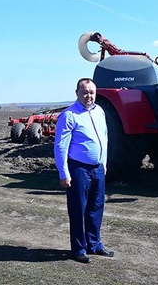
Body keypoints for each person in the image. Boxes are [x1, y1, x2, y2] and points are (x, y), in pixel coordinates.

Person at [54, 77, 114, 264]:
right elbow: (61, 146)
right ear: (77, 93)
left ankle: (94, 244)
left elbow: (104, 138)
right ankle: (79, 248)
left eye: (92, 92)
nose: (89, 96)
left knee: (96, 208)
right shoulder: (69, 115)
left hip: (97, 168)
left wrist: (103, 162)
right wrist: (64, 172)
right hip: (78, 168)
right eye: (85, 92)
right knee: (78, 209)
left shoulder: (100, 111)